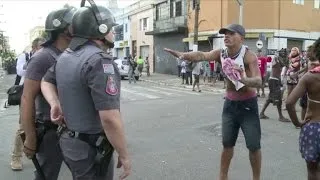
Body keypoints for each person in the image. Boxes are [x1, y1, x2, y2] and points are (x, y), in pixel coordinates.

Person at [41, 5, 131, 179]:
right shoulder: (100, 62)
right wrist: (124, 154)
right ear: (100, 30)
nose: (113, 32)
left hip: (70, 143)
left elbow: (46, 81)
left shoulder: (65, 56)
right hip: (90, 149)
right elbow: (110, 118)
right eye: (110, 28)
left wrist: (54, 104)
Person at [164, 24, 262, 180]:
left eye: (231, 34)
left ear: (241, 38)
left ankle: (256, 178)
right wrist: (182, 55)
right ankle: (222, 176)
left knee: (253, 145)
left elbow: (258, 80)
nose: (226, 36)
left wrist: (245, 80)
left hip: (248, 106)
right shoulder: (220, 53)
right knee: (227, 144)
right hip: (230, 106)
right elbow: (202, 55)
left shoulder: (249, 56)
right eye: (225, 34)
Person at [21, 7, 76, 180]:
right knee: (47, 176)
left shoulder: (71, 54)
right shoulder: (42, 58)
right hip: (50, 133)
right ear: (63, 30)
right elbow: (27, 98)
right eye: (73, 24)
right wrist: (30, 136)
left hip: (71, 131)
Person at [286, 38, 320, 180]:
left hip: (312, 128)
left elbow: (289, 103)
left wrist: (298, 123)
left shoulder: (309, 77)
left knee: (312, 171)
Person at [10, 37, 45, 171]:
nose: (43, 49)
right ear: (34, 48)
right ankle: (16, 157)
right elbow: (20, 71)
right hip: (28, 94)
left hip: (44, 94)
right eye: (40, 46)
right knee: (23, 127)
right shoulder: (25, 57)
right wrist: (35, 62)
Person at [259, 48, 290, 122]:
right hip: (273, 80)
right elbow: (276, 65)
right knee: (278, 98)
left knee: (270, 98)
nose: (284, 54)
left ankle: (262, 113)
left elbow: (286, 66)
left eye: (285, 53)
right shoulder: (276, 58)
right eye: (283, 53)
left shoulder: (281, 59)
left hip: (275, 80)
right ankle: (280, 116)